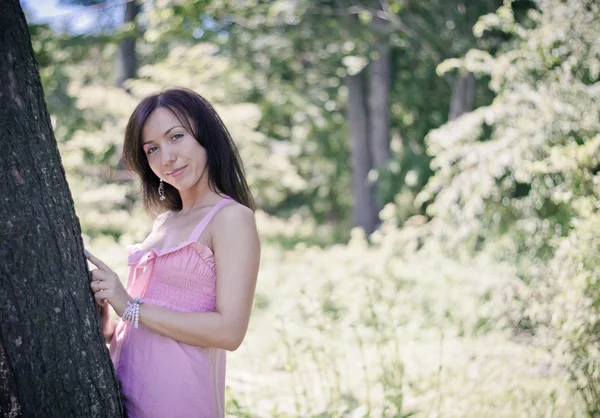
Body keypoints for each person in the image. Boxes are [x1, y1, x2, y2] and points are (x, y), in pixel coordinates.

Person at [84, 87, 260, 418]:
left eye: (176, 136)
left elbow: (230, 332)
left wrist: (130, 306)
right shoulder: (163, 223)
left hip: (178, 403)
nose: (166, 157)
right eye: (152, 149)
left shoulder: (231, 218)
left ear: (205, 135)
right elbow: (133, 325)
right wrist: (105, 310)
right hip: (123, 394)